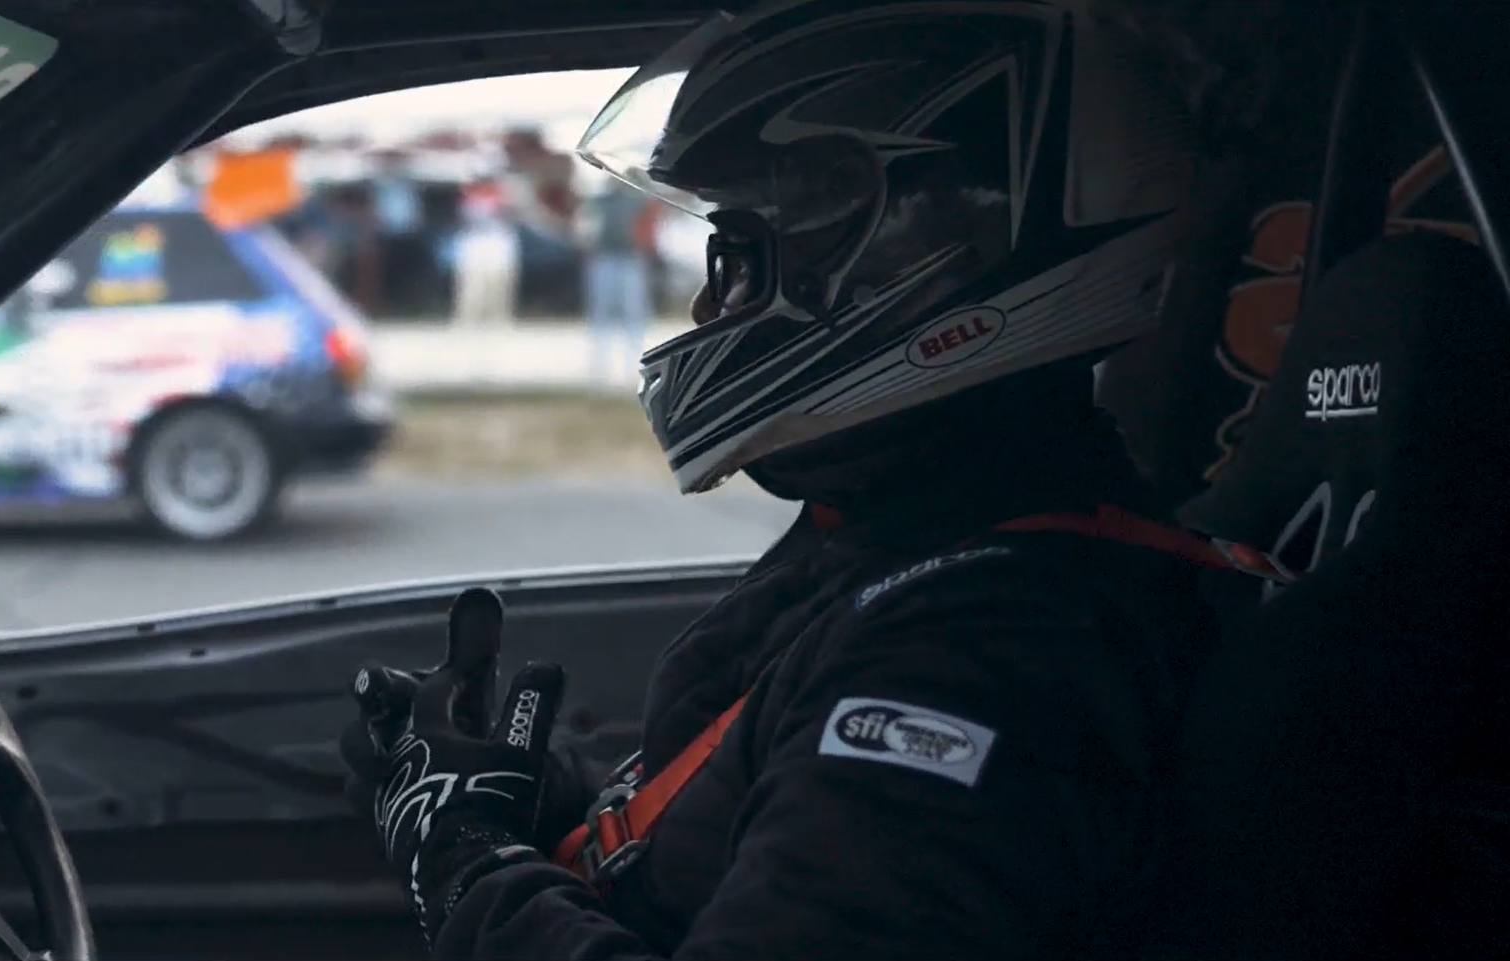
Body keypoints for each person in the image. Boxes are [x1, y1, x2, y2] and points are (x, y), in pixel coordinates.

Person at [338, 3, 1264, 958]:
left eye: (742, 259)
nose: (709, 306)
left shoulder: (989, 654)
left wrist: (470, 867)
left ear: (917, 259)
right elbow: (749, 804)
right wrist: (525, 793)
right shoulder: (912, 533)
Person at [578, 177, 655, 387]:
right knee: (601, 312)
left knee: (633, 311)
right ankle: (599, 365)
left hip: (630, 259)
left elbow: (648, 227)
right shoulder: (598, 201)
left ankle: (635, 363)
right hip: (605, 258)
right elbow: (586, 227)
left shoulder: (637, 201)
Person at [451, 177, 521, 328]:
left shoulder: (505, 196)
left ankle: (499, 318)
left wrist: (504, 205)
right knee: (472, 285)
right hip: (474, 246)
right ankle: (467, 319)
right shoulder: (468, 198)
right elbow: (464, 219)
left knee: (498, 283)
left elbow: (514, 215)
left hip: (498, 244)